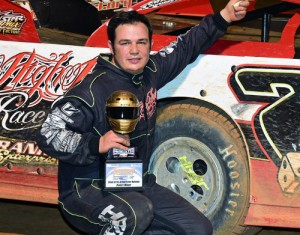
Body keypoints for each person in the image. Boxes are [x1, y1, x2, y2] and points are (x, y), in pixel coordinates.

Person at [36, 1, 249, 234]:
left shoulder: (150, 72)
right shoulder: (91, 90)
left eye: (141, 42)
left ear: (150, 44)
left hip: (135, 184)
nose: (134, 50)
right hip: (87, 190)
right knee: (136, 213)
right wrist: (96, 144)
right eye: (125, 43)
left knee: (198, 229)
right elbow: (48, 133)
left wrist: (224, 16)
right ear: (111, 46)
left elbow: (185, 47)